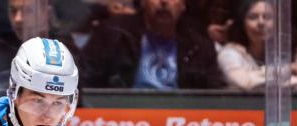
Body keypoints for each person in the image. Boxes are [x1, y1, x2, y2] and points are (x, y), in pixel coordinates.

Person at [81, 0, 226, 89]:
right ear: (143, 2)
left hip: (180, 123)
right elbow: (84, 79)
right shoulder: (114, 33)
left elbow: (214, 92)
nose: (164, 1)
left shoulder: (199, 44)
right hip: (122, 120)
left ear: (183, 5)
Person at [218, 0, 297, 91]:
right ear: (242, 24)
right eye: (253, 17)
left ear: (276, 23)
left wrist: (261, 77)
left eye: (267, 17)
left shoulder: (291, 50)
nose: (261, 22)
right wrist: (290, 69)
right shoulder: (229, 53)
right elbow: (245, 82)